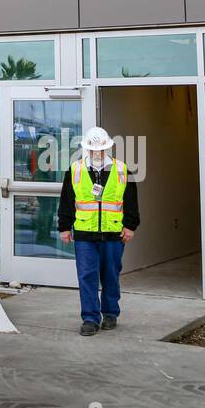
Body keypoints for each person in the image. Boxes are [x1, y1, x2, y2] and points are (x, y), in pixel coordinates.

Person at [58, 125, 139, 336]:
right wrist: (64, 227)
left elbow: (131, 201)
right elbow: (67, 201)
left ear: (107, 149)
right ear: (87, 149)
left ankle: (110, 313)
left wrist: (130, 225)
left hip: (113, 233)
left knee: (111, 275)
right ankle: (90, 318)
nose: (97, 153)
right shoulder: (74, 170)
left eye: (100, 149)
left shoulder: (122, 170)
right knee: (87, 276)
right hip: (85, 233)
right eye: (93, 150)